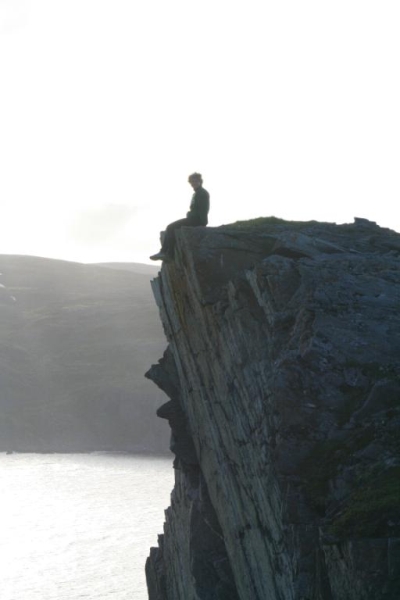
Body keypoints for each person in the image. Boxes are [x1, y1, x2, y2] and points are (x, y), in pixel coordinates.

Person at [150, 173, 210, 262]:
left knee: (170, 227)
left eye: (195, 181)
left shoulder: (202, 193)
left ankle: (165, 253)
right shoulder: (197, 193)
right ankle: (168, 253)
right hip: (194, 219)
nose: (193, 183)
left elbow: (203, 209)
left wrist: (202, 223)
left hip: (196, 220)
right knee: (172, 228)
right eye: (191, 181)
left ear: (200, 181)